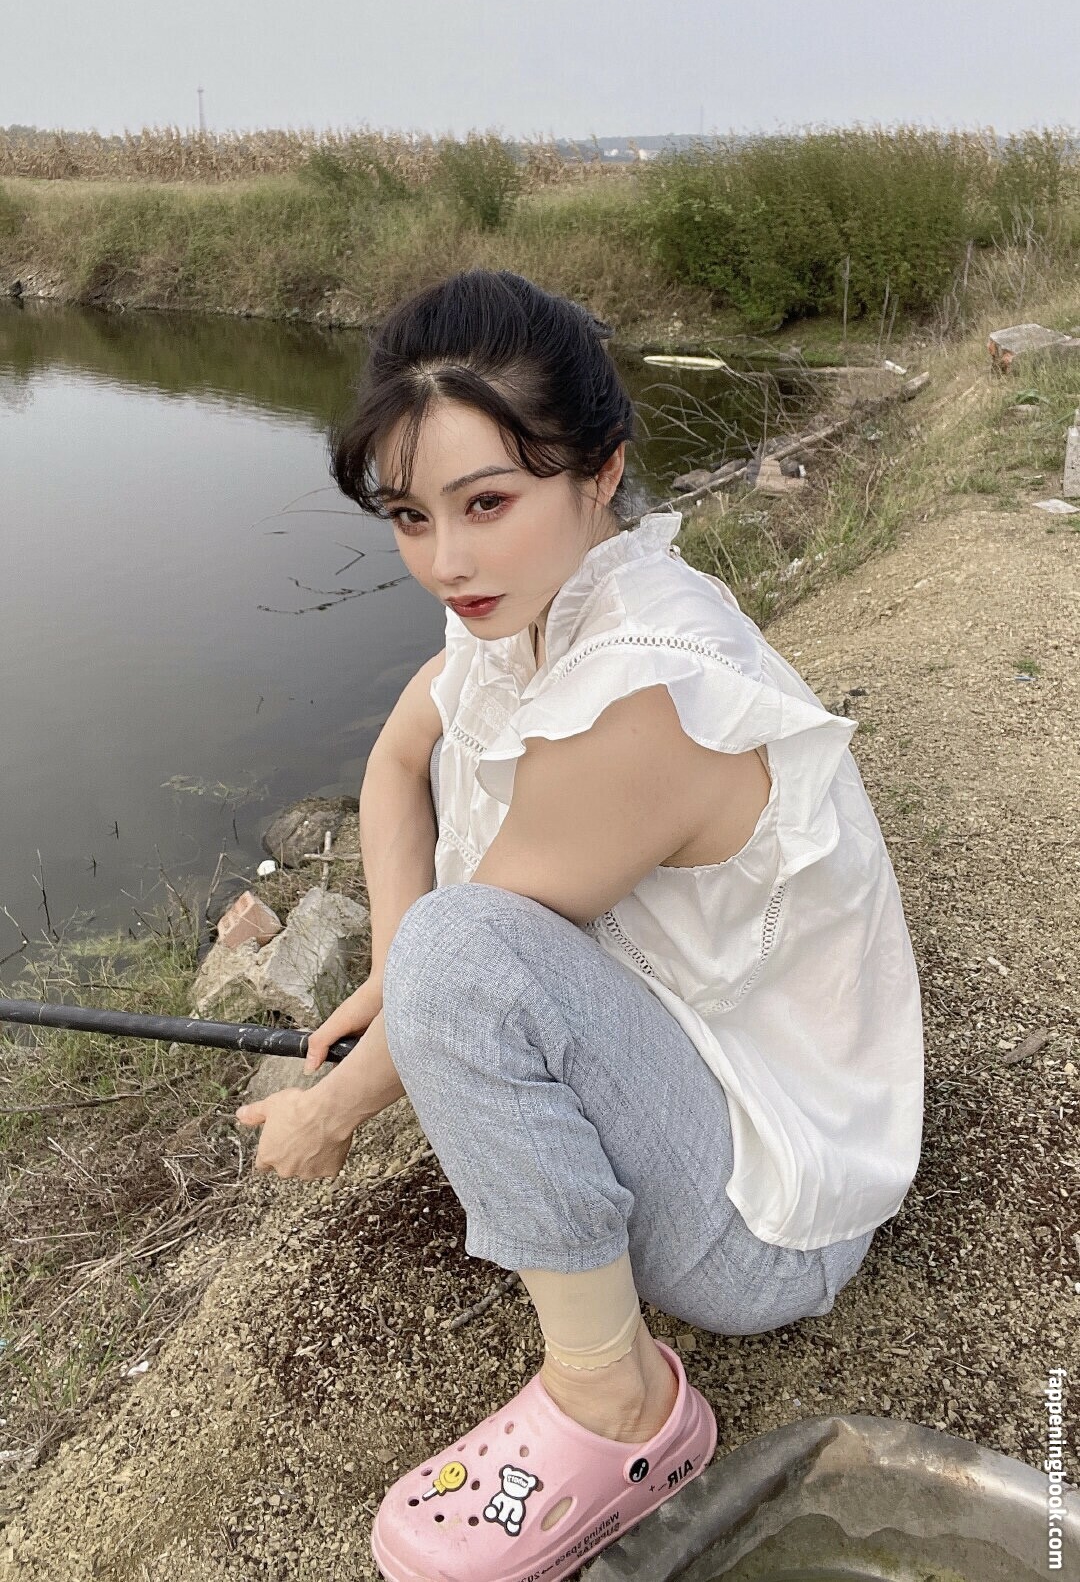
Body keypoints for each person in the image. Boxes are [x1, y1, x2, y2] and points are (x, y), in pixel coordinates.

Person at [235, 268, 924, 1582]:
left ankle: (622, 1401)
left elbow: (472, 956)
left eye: (487, 502)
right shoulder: (531, 602)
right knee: (443, 951)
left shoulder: (637, 691)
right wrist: (388, 964)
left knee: (460, 954)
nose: (446, 560)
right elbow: (396, 758)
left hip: (774, 1215)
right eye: (411, 515)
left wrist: (329, 1111)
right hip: (700, 1063)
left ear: (601, 471)